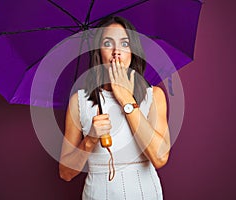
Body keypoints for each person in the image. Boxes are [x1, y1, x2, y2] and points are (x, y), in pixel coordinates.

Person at [59, 16, 170, 200]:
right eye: (108, 43)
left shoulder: (154, 96)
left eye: (125, 43)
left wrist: (126, 100)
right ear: (98, 52)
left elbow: (159, 158)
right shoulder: (79, 102)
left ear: (133, 51)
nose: (117, 52)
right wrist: (90, 139)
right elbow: (65, 173)